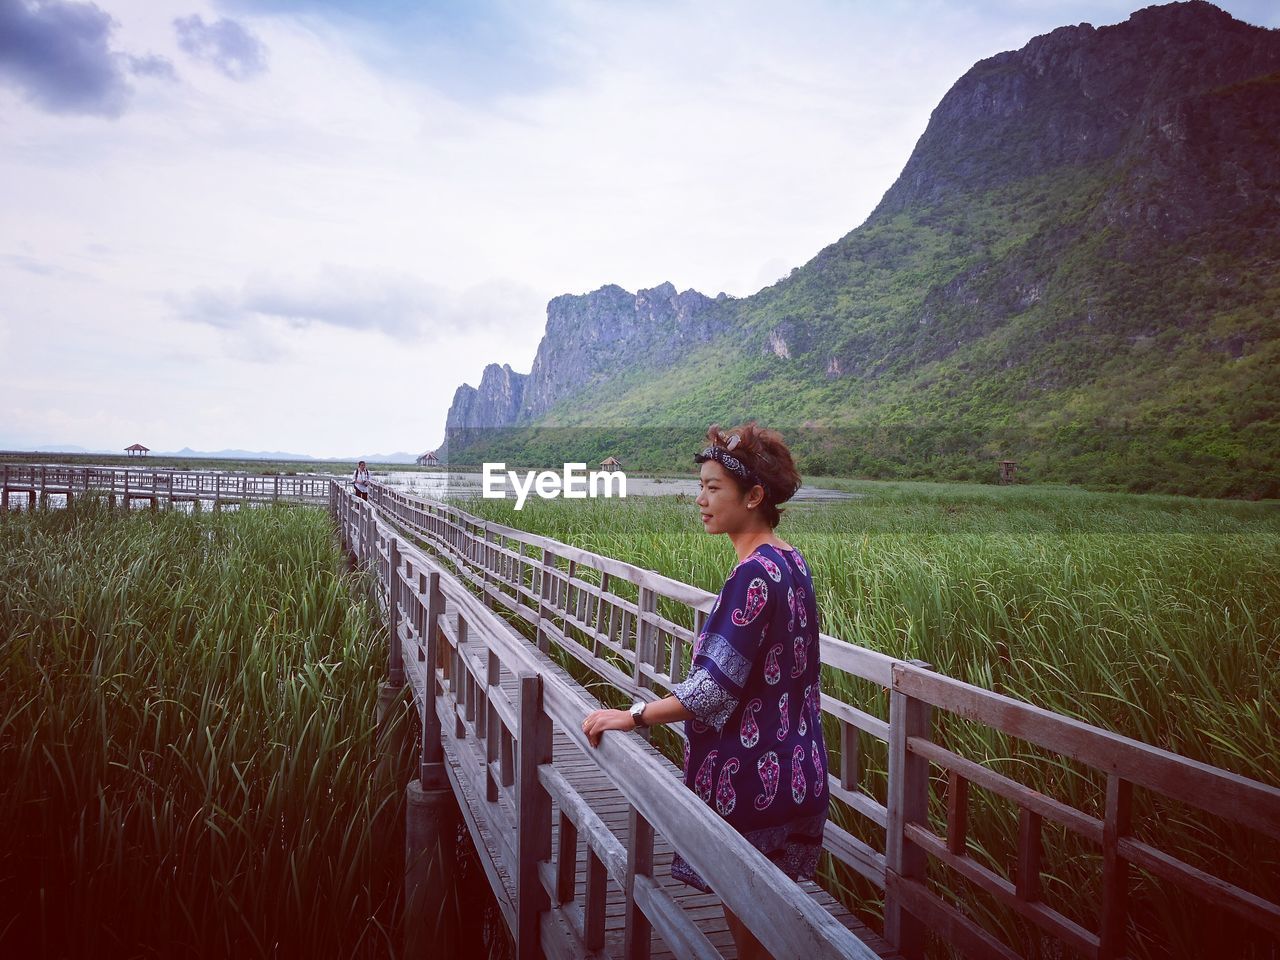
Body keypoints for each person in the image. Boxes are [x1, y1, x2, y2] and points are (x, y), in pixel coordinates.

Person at [582, 422, 828, 960]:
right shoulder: (792, 561)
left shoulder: (752, 577)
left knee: (752, 932)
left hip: (750, 780)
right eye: (702, 487)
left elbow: (712, 691)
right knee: (770, 926)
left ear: (754, 496)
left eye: (714, 488)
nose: (701, 499)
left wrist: (635, 714)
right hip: (799, 767)